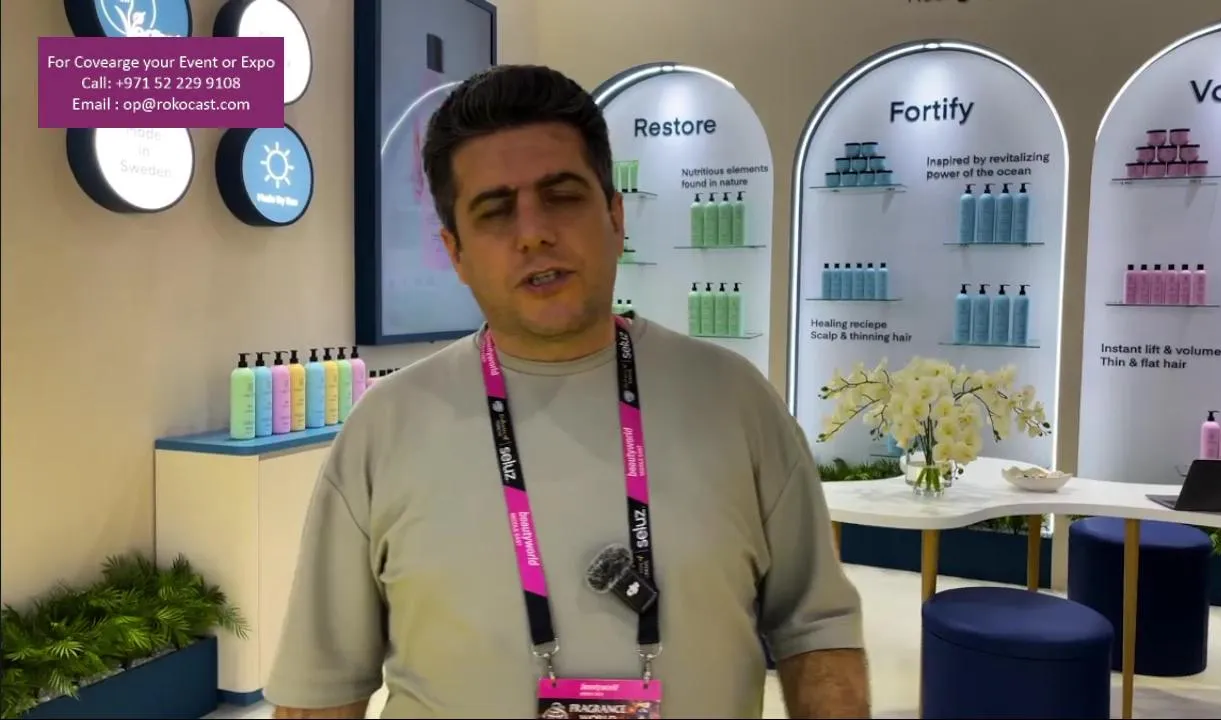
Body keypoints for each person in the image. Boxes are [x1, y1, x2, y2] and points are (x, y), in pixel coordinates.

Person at [266, 64, 869, 719]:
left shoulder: (734, 402)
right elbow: (323, 689)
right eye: (495, 210)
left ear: (615, 216)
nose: (534, 232)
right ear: (456, 252)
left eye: (561, 196)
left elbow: (818, 633)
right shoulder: (386, 427)